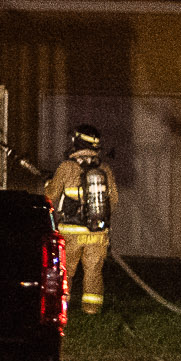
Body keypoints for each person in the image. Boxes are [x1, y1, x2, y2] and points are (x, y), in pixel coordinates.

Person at [44, 125, 116, 318]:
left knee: (66, 271)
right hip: (97, 233)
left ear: (77, 142)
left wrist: (48, 184)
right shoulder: (104, 169)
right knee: (94, 272)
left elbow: (50, 195)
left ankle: (61, 308)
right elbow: (114, 200)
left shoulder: (66, 168)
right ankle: (91, 310)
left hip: (70, 233)